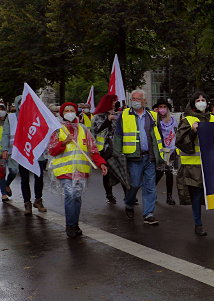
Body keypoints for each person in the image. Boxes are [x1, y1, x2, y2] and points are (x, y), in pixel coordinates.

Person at [175, 91, 214, 237]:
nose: (201, 102)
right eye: (198, 100)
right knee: (196, 196)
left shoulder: (213, 118)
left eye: (203, 99)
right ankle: (198, 225)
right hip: (194, 165)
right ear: (193, 103)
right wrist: (193, 131)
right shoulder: (187, 120)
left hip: (213, 163)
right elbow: (181, 141)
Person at [48, 102, 108, 238]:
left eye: (72, 110)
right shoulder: (58, 130)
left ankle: (75, 224)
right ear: (62, 113)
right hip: (64, 170)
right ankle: (70, 226)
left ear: (76, 112)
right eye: (66, 110)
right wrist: (64, 142)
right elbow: (52, 150)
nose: (69, 112)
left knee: (77, 197)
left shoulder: (83, 129)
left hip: (81, 170)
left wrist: (101, 164)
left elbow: (93, 150)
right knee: (70, 195)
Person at [114, 89, 164, 225]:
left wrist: (162, 155)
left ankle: (148, 213)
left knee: (150, 186)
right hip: (133, 157)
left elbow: (158, 136)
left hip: (150, 157)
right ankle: (129, 203)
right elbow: (118, 135)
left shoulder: (153, 116)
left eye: (137, 99)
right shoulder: (124, 115)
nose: (135, 101)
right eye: (133, 99)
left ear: (144, 101)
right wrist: (117, 153)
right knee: (134, 184)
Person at [153, 98, 177, 205]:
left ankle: (169, 196)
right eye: (160, 107)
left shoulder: (173, 120)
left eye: (164, 107)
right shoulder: (155, 120)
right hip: (159, 150)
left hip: (170, 150)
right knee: (158, 172)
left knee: (169, 172)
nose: (162, 109)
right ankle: (151, 192)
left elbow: (176, 132)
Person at [1, 98, 20, 203]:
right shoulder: (11, 118)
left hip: (21, 150)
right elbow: (6, 134)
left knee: (16, 172)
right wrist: (4, 149)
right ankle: (4, 192)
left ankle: (6, 186)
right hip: (9, 150)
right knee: (7, 172)